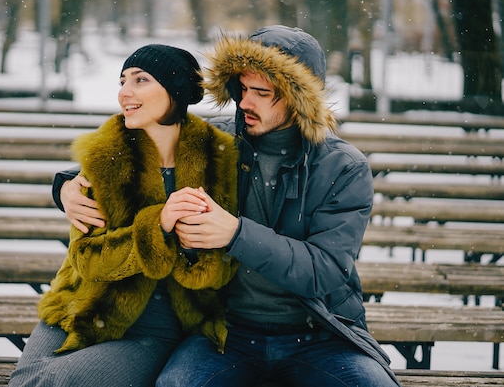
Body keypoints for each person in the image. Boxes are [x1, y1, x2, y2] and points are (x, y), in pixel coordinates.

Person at [52, 26, 401, 387]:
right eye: (242, 89)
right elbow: (132, 157)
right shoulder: (215, 141)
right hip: (224, 333)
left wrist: (236, 234)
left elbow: (323, 272)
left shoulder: (343, 167)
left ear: (300, 99)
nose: (245, 103)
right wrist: (65, 185)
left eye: (261, 93)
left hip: (322, 335)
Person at [9, 44, 239, 387]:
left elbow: (219, 272)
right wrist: (157, 225)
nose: (124, 93)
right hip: (81, 306)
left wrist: (193, 246)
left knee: (59, 381)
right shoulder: (104, 157)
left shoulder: (216, 161)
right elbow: (88, 259)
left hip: (157, 328)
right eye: (122, 81)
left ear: (174, 91)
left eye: (140, 80)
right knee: (27, 381)